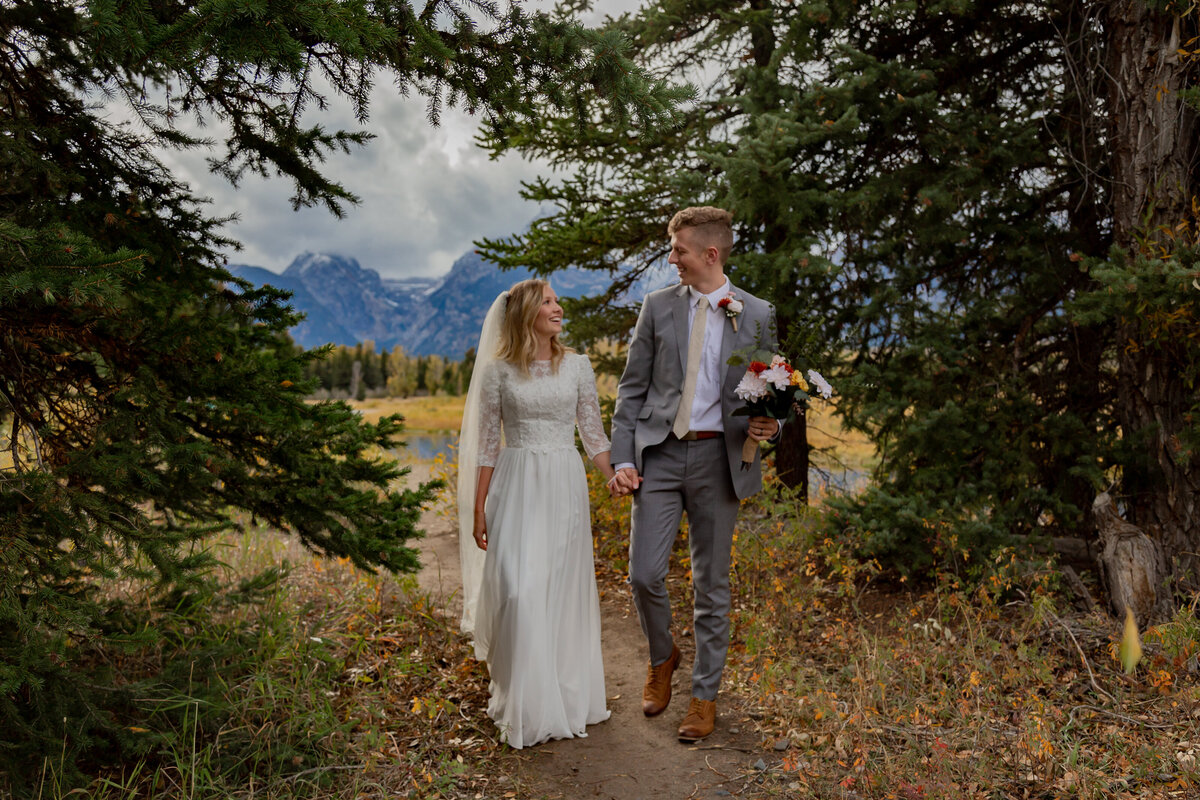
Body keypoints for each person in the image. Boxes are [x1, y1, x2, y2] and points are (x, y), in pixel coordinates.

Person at [609, 206, 780, 742]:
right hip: (659, 454)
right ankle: (664, 659)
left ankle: (704, 696)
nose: (671, 258)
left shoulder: (756, 313)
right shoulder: (657, 307)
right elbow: (632, 388)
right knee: (644, 574)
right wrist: (623, 457)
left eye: (679, 249)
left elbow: (770, 394)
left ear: (710, 253)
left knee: (712, 584)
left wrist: (768, 428)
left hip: (719, 460)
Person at [457, 278, 617, 749]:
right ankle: (524, 702)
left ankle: (564, 698)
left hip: (563, 486)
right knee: (519, 591)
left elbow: (593, 435)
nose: (558, 307)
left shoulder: (578, 367)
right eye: (547, 301)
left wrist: (613, 475)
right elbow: (486, 447)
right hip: (516, 484)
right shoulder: (498, 372)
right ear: (526, 312)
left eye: (556, 300)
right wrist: (478, 509)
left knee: (560, 590)